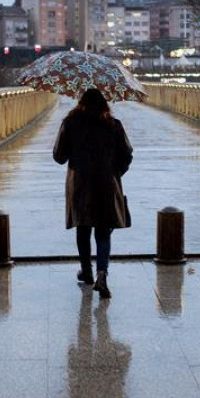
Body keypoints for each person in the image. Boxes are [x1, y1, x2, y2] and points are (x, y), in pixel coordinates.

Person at [53, 88, 133, 298]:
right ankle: (102, 274)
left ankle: (86, 271)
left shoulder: (71, 123)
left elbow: (59, 156)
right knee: (103, 231)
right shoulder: (113, 125)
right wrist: (115, 174)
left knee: (83, 227)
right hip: (106, 183)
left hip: (80, 183)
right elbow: (126, 155)